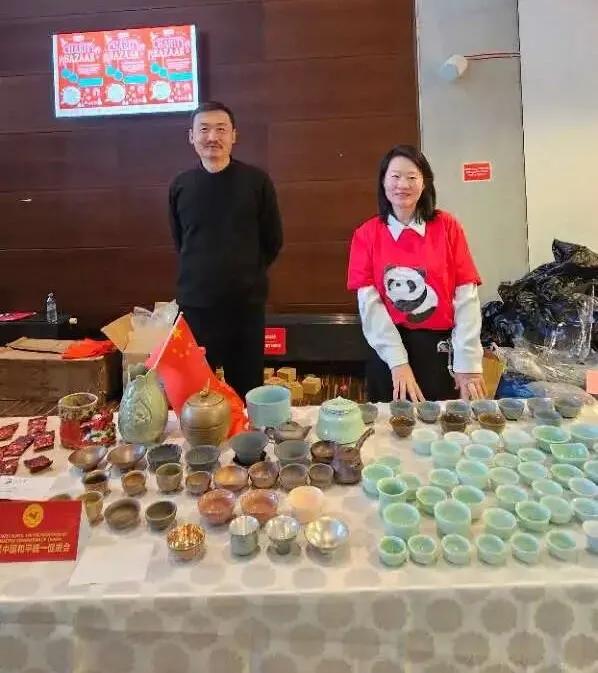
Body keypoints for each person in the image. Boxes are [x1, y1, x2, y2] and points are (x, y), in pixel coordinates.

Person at [347, 145, 486, 402]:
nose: (403, 185)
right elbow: (370, 305)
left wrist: (467, 362)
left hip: (438, 350)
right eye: (395, 176)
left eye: (412, 177)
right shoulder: (366, 234)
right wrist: (398, 362)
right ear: (383, 181)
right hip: (387, 351)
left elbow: (466, 296)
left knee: (442, 422)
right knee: (389, 423)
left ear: (424, 183)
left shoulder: (447, 227)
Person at [169, 101, 283, 399]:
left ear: (234, 135)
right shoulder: (181, 186)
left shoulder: (256, 182)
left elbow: (273, 240)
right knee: (196, 392)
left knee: (247, 390)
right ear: (191, 136)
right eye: (204, 129)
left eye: (221, 129)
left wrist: (245, 272)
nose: (212, 137)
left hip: (245, 306)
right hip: (196, 305)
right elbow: (181, 241)